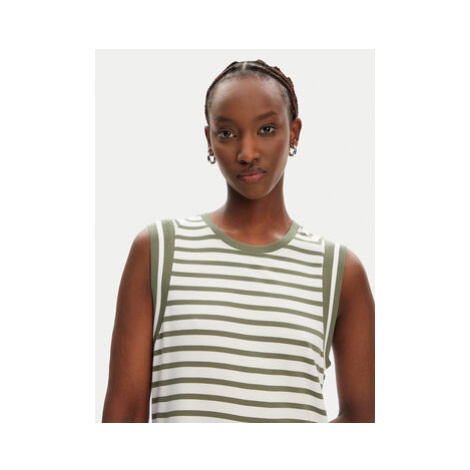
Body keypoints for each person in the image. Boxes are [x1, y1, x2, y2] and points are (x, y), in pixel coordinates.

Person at [102, 59, 375, 423]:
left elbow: (365, 422)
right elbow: (123, 416)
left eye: (266, 129)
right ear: (209, 139)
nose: (247, 153)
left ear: (294, 133)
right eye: (228, 133)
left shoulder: (339, 271)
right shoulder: (158, 250)